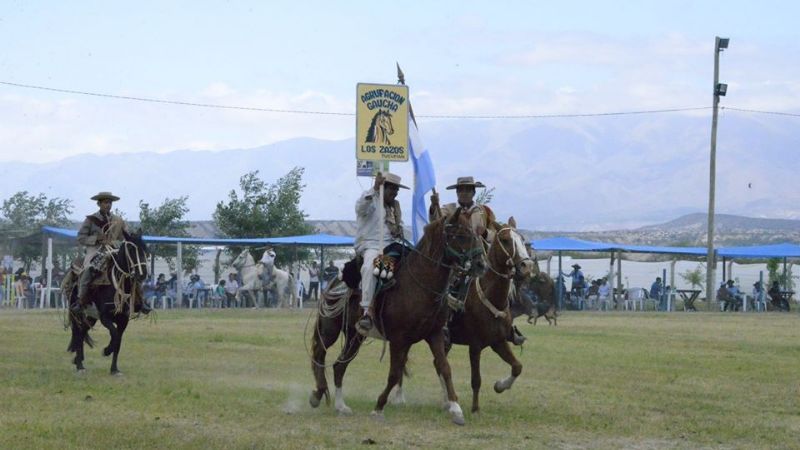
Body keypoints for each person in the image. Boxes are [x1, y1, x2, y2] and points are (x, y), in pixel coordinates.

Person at [355, 172, 407, 333]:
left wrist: (400, 232)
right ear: (383, 188)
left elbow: (400, 226)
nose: (395, 192)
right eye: (391, 188)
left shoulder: (395, 207)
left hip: (392, 245)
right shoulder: (371, 201)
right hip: (371, 244)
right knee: (370, 267)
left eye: (396, 189)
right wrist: (375, 188)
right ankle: (367, 311)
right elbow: (360, 208)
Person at [72, 191, 128, 314]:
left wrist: (119, 243)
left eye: (110, 203)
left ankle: (139, 301)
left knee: (132, 269)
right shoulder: (91, 220)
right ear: (99, 204)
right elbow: (80, 238)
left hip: (114, 249)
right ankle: (81, 301)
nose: (108, 205)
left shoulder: (118, 220)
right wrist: (96, 239)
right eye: (105, 202)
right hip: (96, 249)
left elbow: (125, 237)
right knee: (88, 269)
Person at [429, 176, 493, 242]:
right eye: (461, 190)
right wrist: (434, 205)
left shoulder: (484, 211)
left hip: (478, 250)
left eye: (468, 190)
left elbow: (496, 235)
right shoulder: (447, 209)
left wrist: (485, 233)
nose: (464, 193)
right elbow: (436, 221)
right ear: (457, 193)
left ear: (474, 193)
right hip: (454, 250)